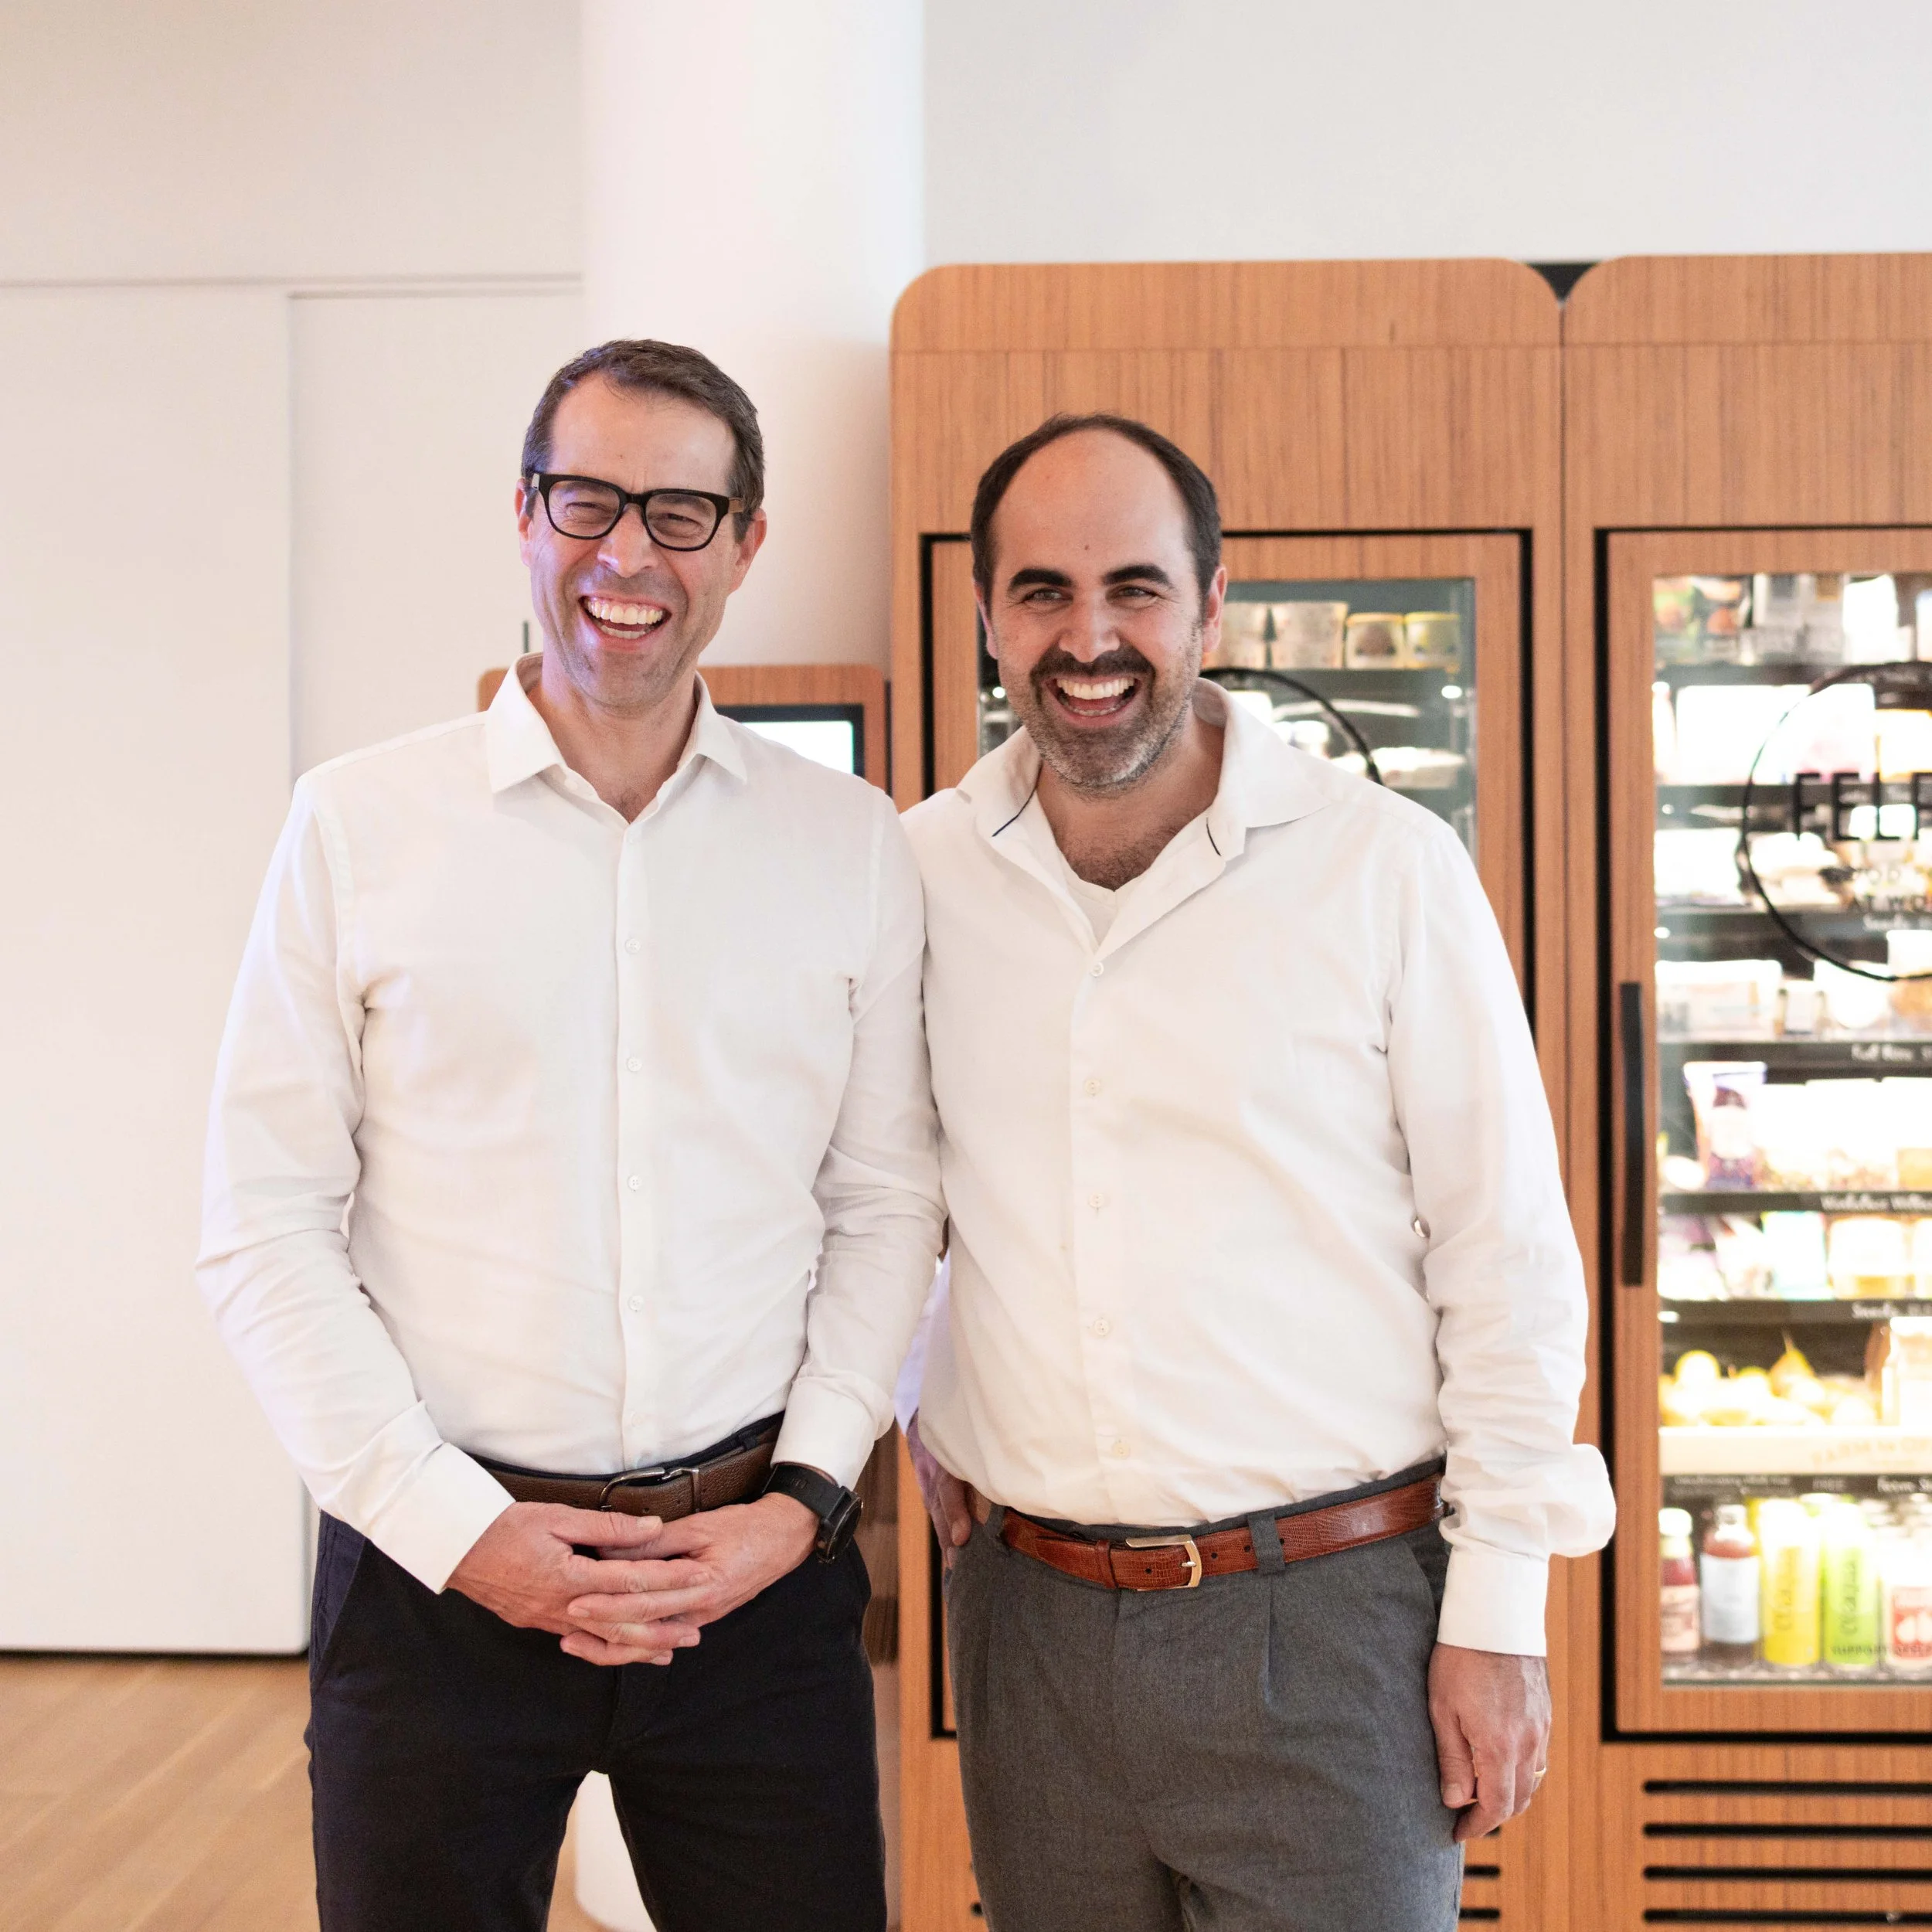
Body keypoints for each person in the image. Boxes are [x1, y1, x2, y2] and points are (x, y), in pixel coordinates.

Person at [199, 338, 943, 1932]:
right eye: (586, 499)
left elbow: (884, 1202)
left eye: (681, 511)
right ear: (523, 516)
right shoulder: (357, 824)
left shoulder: (849, 846)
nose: (626, 554)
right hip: (432, 1579)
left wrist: (800, 1498)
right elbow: (261, 1220)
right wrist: (454, 1529)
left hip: (750, 1578)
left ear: (747, 542)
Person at [901, 413, 1614, 1932]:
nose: (1087, 636)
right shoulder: (918, 874)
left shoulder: (1381, 866)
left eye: (1133, 588)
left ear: (1211, 604)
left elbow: (1503, 1255)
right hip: (1027, 1626)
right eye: (1039, 591)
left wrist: (1495, 1610)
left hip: (1332, 1618)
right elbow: (877, 1186)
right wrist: (921, 1385)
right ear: (985, 613)